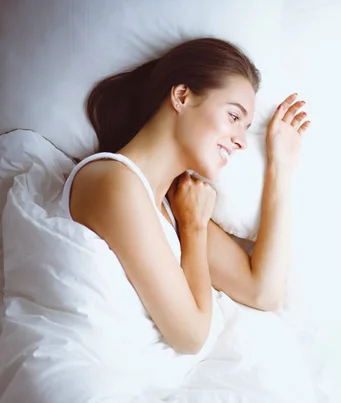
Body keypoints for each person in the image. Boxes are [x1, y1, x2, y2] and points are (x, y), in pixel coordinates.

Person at [62, 38, 310, 356]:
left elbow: (263, 292)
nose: (242, 142)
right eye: (234, 117)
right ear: (182, 97)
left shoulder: (173, 203)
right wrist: (193, 229)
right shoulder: (115, 182)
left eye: (247, 127)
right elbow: (190, 336)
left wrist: (281, 169)